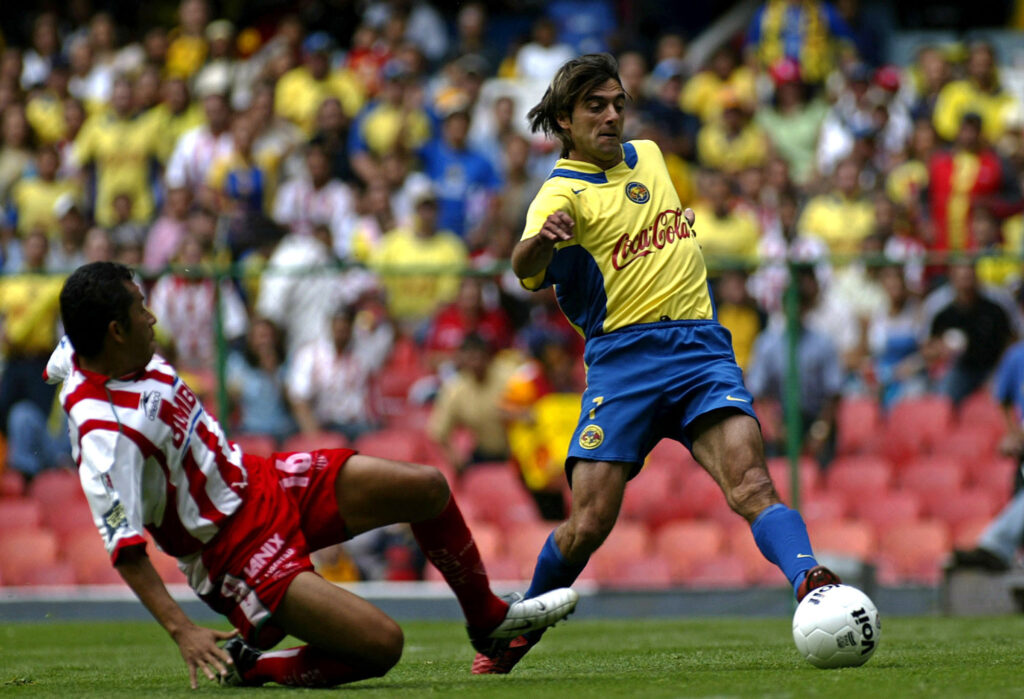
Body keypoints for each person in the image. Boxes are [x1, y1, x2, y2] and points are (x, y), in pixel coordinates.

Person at [44, 261, 578, 689]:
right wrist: (182, 630)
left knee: (427, 487)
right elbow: (125, 546)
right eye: (142, 309)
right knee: (382, 646)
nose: (153, 318)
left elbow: (60, 360)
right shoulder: (104, 434)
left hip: (262, 480)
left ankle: (488, 623)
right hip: (231, 549)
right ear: (115, 331)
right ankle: (249, 665)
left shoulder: (83, 347)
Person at [475, 53, 840, 675]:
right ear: (565, 119)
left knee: (752, 483)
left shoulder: (650, 157)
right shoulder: (560, 193)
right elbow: (523, 268)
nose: (613, 115)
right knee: (589, 522)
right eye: (596, 106)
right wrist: (542, 240)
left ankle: (813, 583)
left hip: (700, 349)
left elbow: (656, 224)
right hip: (623, 364)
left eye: (618, 103)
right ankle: (517, 627)